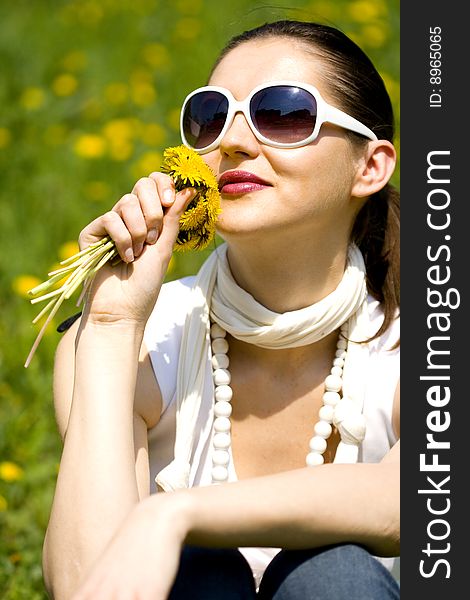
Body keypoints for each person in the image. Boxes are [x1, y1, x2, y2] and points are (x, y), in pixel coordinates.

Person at [42, 19, 400, 600]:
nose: (232, 142)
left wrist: (172, 514)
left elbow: (407, 503)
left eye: (282, 113)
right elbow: (89, 586)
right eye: (211, 117)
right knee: (202, 572)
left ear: (370, 167)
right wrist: (111, 324)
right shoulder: (137, 348)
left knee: (331, 575)